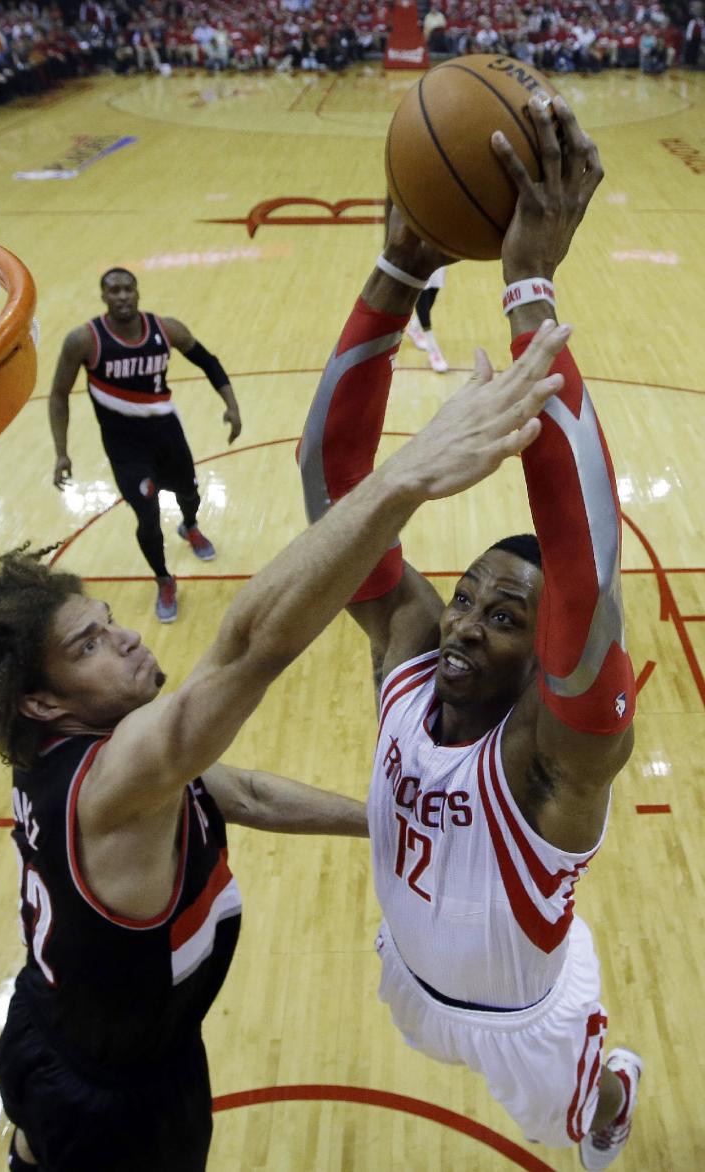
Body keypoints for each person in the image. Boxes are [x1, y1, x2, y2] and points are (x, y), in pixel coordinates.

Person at [0, 315, 570, 1169]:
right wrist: (407, 477)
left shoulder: (84, 761)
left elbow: (247, 795)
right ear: (41, 701)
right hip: (108, 1091)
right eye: (88, 645)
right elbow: (249, 646)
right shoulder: (119, 776)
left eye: (107, 621)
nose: (121, 639)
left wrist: (388, 821)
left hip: (83, 1032)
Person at [299, 96, 640, 1170]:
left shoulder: (555, 759)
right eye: (468, 597)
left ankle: (607, 1087)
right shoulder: (408, 655)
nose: (463, 624)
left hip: (527, 1017)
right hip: (408, 971)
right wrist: (395, 273)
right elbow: (333, 485)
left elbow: (583, 574)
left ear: (539, 660)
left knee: (569, 1130)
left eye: (505, 620)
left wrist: (531, 293)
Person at [49, 268, 242, 624]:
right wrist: (61, 451)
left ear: (137, 293)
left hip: (167, 435)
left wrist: (232, 405)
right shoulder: (84, 340)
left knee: (190, 493)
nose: (121, 296)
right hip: (125, 450)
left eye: (127, 289)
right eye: (113, 291)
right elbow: (59, 395)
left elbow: (208, 361)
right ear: (103, 297)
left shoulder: (166, 329)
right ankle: (164, 578)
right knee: (148, 516)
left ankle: (190, 525)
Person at [406, 266, 449, 373]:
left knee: (433, 290)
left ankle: (414, 328)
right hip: (418, 254)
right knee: (422, 292)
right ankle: (433, 350)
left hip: (439, 252)